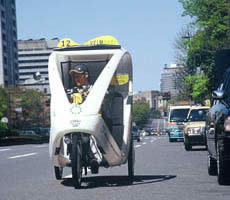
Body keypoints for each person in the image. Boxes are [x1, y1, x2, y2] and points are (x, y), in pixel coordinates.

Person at [69, 64, 102, 174]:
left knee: (90, 136)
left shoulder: (95, 89)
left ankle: (94, 159)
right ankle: (67, 155)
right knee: (65, 135)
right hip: (74, 120)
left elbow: (103, 97)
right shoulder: (71, 91)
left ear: (86, 75)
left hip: (92, 119)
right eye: (74, 76)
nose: (76, 78)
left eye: (78, 75)